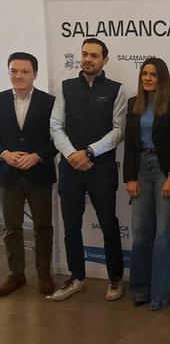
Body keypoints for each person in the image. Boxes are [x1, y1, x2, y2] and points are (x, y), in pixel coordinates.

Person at [50, 38, 127, 301]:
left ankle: (115, 278)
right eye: (84, 54)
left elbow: (119, 130)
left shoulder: (117, 90)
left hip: (101, 167)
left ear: (105, 60)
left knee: (108, 223)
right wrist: (72, 154)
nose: (88, 59)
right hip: (71, 167)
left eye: (94, 55)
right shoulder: (66, 87)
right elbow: (55, 125)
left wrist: (90, 152)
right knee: (71, 225)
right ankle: (77, 277)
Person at [123, 57, 170, 311]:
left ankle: (162, 293)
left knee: (163, 235)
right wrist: (129, 177)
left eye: (153, 75)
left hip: (163, 172)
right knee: (140, 234)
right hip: (140, 170)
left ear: (162, 79)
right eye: (144, 74)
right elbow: (129, 142)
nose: (148, 78)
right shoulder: (133, 103)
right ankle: (140, 288)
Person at [0, 52, 57, 296]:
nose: (19, 75)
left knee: (43, 226)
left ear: (35, 73)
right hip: (8, 173)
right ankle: (16, 274)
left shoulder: (50, 102)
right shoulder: (0, 100)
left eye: (24, 71)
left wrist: (37, 156)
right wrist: (3, 153)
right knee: (11, 227)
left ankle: (44, 273)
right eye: (14, 70)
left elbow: (58, 137)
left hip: (39, 173)